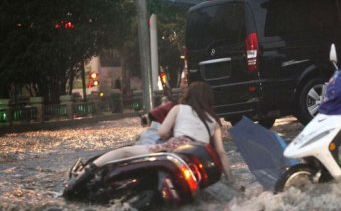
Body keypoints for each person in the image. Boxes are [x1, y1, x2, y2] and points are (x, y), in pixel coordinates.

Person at [64, 82, 235, 194]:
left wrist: (169, 133)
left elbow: (162, 133)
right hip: (198, 158)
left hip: (177, 147)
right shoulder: (214, 120)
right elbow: (221, 152)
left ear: (189, 95)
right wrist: (231, 180)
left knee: (124, 152)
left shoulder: (179, 108)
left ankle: (87, 173)